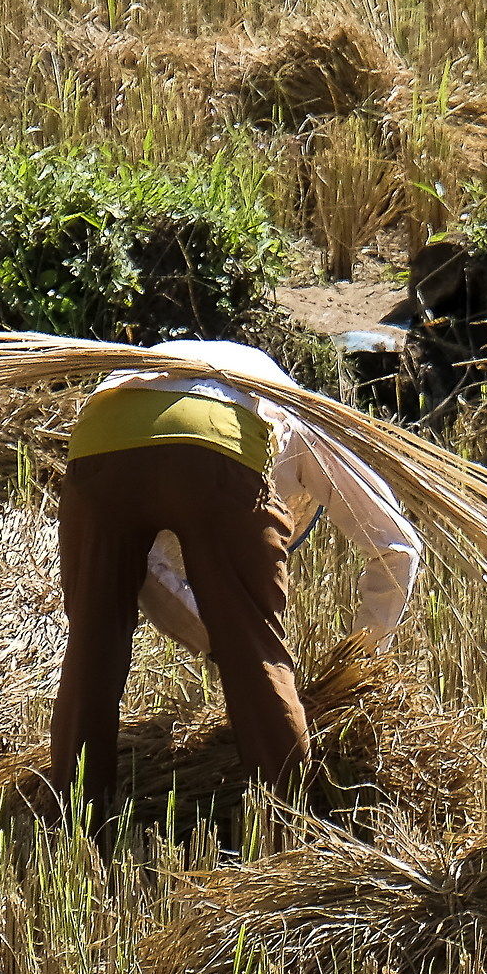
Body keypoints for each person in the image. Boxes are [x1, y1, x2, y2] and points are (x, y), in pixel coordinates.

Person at [48, 337, 420, 818]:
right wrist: (358, 668)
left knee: (90, 653)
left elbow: (152, 575)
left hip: (99, 440)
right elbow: (397, 544)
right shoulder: (298, 416)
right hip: (214, 444)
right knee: (256, 655)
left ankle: (74, 822)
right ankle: (289, 821)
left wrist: (212, 635)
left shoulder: (184, 377)